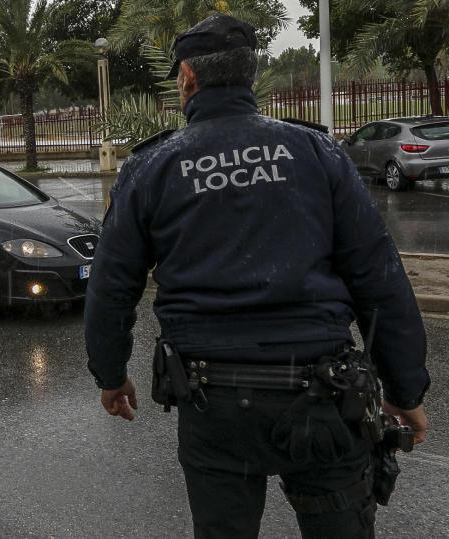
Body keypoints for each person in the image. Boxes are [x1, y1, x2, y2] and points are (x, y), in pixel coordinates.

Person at [85, 14, 430, 539]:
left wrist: (111, 376)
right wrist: (406, 390)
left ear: (186, 78)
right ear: (250, 77)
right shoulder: (317, 153)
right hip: (324, 394)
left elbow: (112, 287)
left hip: (212, 402)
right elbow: (378, 278)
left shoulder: (151, 168)